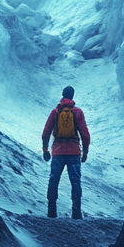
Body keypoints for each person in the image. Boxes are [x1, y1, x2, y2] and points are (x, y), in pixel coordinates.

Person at [41, 84, 90, 218]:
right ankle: (76, 211)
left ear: (62, 95)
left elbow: (46, 132)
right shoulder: (77, 112)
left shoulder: (55, 112)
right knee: (75, 181)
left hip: (58, 151)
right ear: (72, 96)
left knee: (54, 179)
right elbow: (84, 133)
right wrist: (85, 152)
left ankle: (51, 210)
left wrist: (45, 149)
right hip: (74, 152)